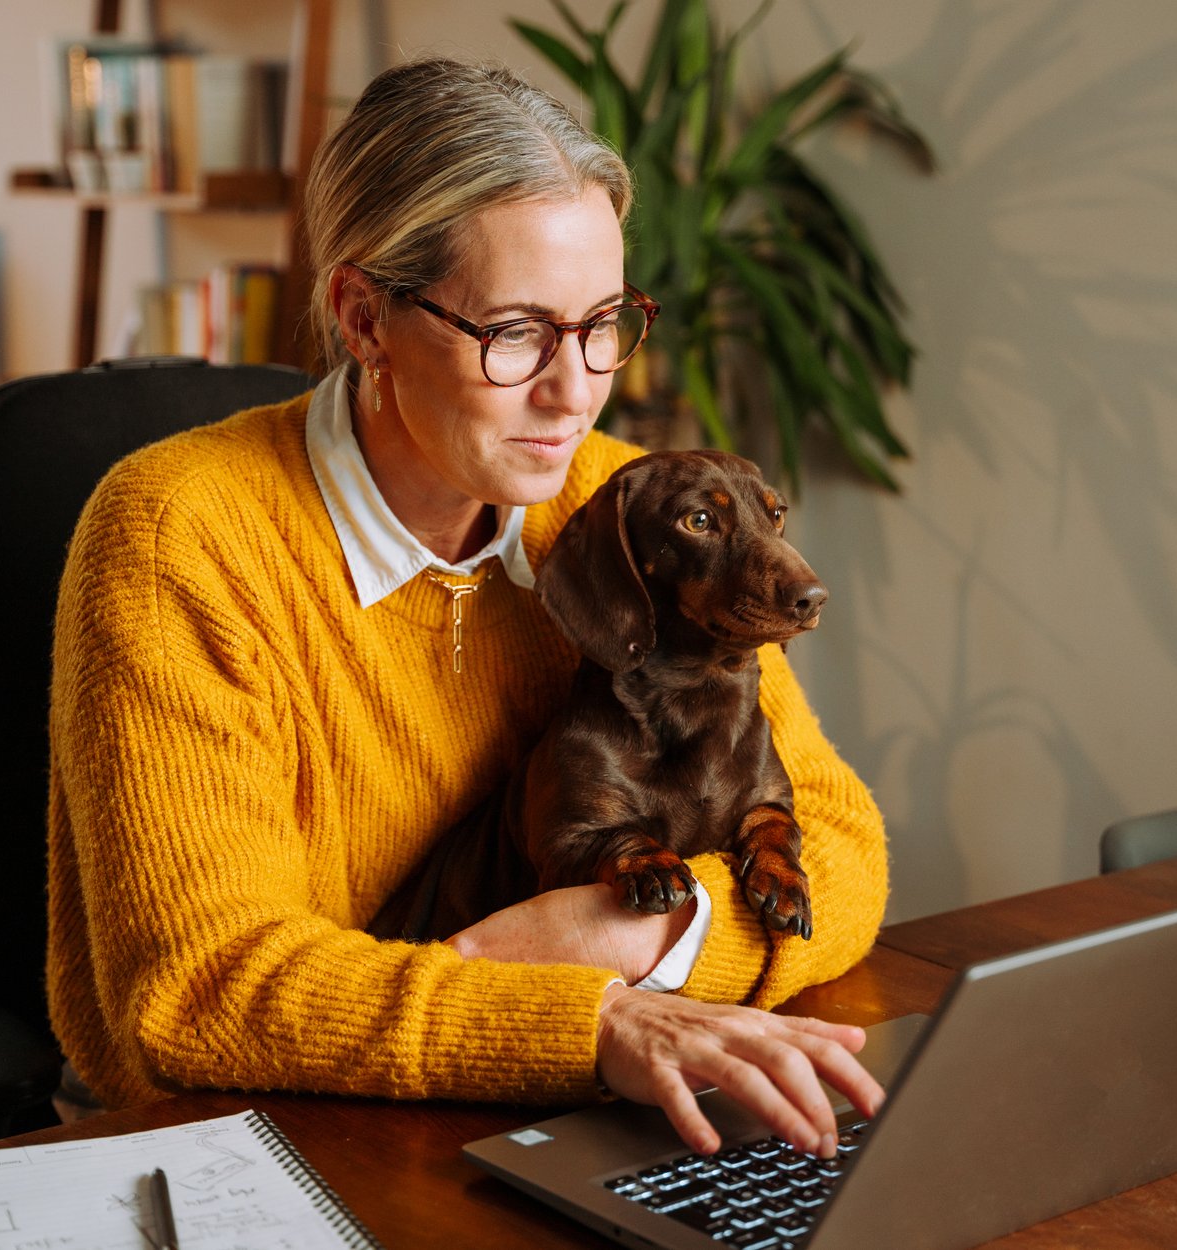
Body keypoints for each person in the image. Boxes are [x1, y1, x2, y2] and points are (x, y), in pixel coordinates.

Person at [47, 56, 890, 1159]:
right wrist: (579, 1014)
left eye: (600, 323)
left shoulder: (622, 511)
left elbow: (840, 844)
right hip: (256, 1144)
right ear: (362, 315)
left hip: (548, 1122)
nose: (574, 387)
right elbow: (201, 987)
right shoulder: (182, 533)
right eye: (514, 331)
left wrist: (634, 936)